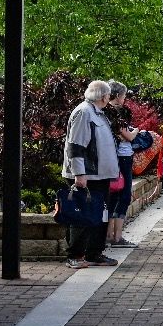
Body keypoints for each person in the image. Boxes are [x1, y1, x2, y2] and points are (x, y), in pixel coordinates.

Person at [61, 81, 121, 268]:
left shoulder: (97, 113)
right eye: (108, 95)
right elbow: (75, 146)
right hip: (87, 176)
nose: (109, 98)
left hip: (99, 176)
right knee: (81, 215)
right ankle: (75, 255)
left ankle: (94, 253)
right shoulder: (83, 112)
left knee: (100, 216)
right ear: (103, 96)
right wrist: (79, 174)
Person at [103, 81, 138, 248]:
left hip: (111, 158)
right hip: (122, 158)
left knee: (111, 197)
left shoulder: (103, 112)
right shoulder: (117, 113)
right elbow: (128, 137)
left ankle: (109, 234)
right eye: (124, 96)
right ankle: (117, 237)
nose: (125, 99)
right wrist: (137, 131)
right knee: (123, 196)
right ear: (117, 96)